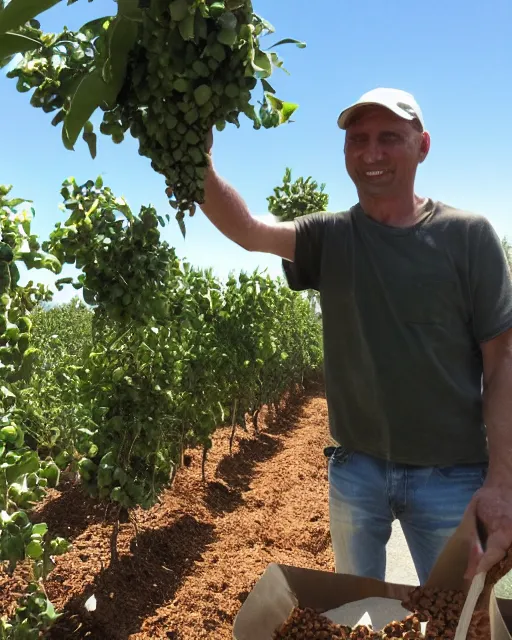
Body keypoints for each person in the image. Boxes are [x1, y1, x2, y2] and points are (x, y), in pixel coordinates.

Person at [198, 87, 512, 585]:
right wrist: (199, 164)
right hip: (357, 472)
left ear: (423, 146)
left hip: (452, 475)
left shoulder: (468, 236)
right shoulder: (331, 236)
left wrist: (501, 483)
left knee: (461, 619)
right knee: (354, 615)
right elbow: (251, 232)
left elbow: (501, 365)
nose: (371, 153)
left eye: (390, 138)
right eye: (357, 139)